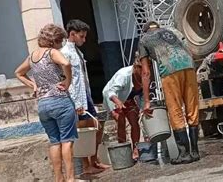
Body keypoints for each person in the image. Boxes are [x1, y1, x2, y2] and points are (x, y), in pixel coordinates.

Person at [15, 24, 76, 182]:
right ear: (54, 41)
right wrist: (68, 82)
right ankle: (70, 179)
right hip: (60, 100)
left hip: (43, 104)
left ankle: (58, 178)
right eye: (60, 41)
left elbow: (19, 73)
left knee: (54, 142)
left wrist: (33, 85)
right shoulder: (52, 52)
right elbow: (66, 64)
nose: (62, 44)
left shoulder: (33, 56)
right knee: (67, 141)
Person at [139, 21, 200, 164]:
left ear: (146, 30)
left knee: (175, 110)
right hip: (189, 65)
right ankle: (195, 151)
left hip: (170, 70)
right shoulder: (172, 32)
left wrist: (147, 101)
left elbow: (146, 72)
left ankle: (184, 154)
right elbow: (189, 49)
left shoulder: (144, 39)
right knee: (192, 109)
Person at [61, 19, 109, 174]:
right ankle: (86, 164)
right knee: (83, 131)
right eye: (81, 36)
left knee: (96, 127)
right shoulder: (65, 53)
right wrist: (75, 103)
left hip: (85, 95)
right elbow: (67, 81)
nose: (84, 39)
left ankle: (94, 160)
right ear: (72, 34)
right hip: (77, 99)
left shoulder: (77, 52)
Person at [102, 60, 143, 161]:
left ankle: (136, 149)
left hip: (128, 97)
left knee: (134, 120)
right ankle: (123, 151)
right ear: (136, 67)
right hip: (112, 97)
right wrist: (118, 102)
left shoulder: (146, 73)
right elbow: (111, 91)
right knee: (121, 121)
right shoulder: (123, 75)